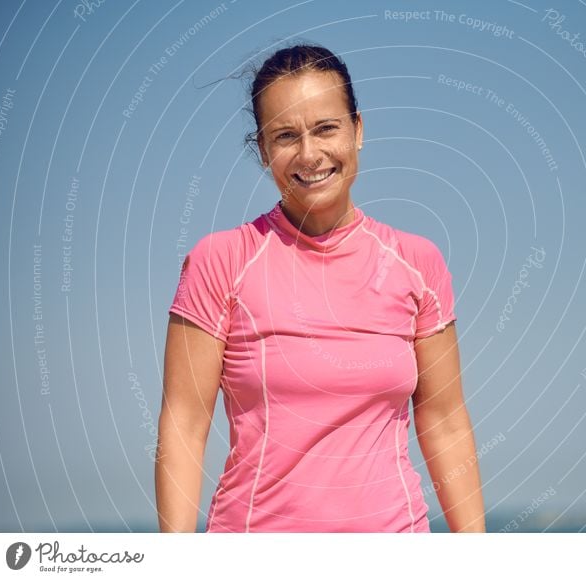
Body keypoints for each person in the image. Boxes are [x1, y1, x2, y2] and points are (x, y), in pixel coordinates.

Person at [155, 43, 485, 533]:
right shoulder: (220, 262)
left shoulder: (418, 265)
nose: (309, 154)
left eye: (326, 128)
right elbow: (183, 424)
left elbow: (445, 422)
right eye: (286, 135)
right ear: (264, 151)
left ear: (358, 130)